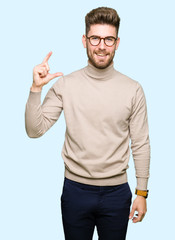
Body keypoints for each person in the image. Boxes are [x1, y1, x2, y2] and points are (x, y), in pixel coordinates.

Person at [25, 6, 151, 240]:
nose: (102, 45)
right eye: (95, 38)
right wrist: (36, 89)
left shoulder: (133, 89)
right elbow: (34, 130)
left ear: (117, 42)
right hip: (75, 191)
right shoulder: (65, 85)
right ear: (85, 40)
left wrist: (141, 193)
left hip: (117, 193)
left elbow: (141, 143)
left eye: (108, 39)